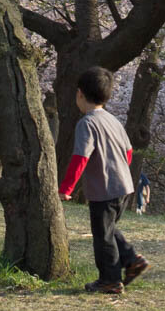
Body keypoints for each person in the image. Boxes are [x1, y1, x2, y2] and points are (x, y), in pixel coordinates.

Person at [59, 67, 149, 295]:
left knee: (102, 236)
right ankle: (131, 260)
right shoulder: (113, 120)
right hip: (123, 184)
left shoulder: (87, 123)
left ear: (80, 94)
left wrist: (66, 188)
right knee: (108, 229)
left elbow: (80, 157)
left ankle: (109, 279)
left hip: (104, 188)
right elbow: (128, 153)